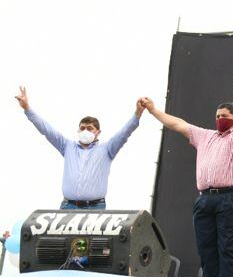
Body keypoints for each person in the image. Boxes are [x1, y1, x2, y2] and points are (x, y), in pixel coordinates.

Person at [142, 98, 233, 277]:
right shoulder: (205, 135)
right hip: (205, 199)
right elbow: (177, 123)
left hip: (231, 197)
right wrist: (153, 110)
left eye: (224, 116)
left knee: (228, 249)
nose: (219, 119)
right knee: (206, 250)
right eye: (217, 116)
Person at [16, 87, 144, 209]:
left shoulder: (107, 149)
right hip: (68, 206)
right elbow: (46, 130)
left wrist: (137, 113)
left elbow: (124, 133)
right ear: (78, 130)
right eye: (82, 128)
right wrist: (27, 108)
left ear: (98, 132)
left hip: (95, 207)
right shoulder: (67, 146)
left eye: (90, 128)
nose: (85, 131)